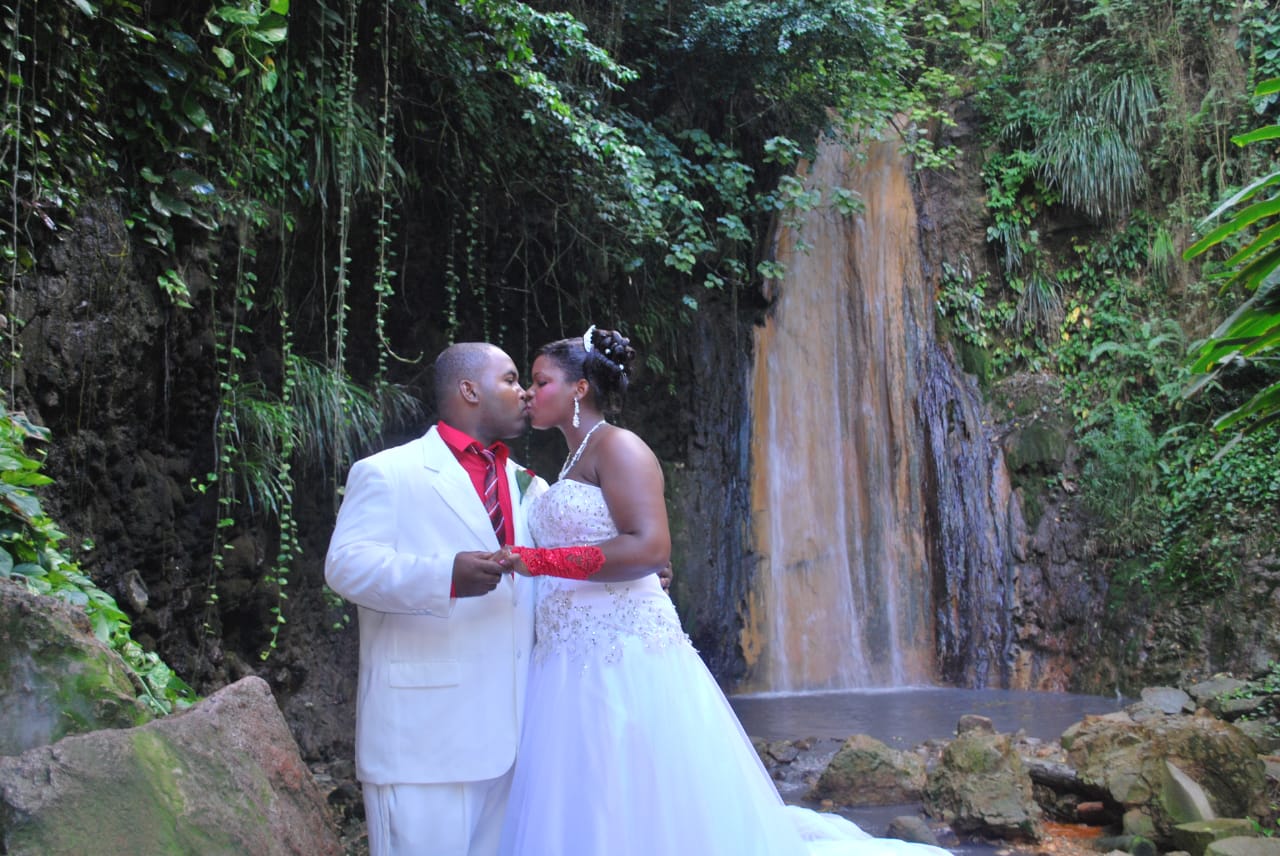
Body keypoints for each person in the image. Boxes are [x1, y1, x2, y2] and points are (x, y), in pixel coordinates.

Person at [495, 326, 953, 856]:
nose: (530, 393)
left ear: (579, 389)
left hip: (624, 649)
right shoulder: (570, 462)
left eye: (540, 381)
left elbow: (649, 550)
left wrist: (536, 561)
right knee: (589, 785)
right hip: (571, 652)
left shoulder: (619, 447)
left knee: (638, 781)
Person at [324, 342, 547, 856]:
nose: (525, 392)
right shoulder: (387, 472)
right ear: (469, 390)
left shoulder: (528, 486)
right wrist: (444, 575)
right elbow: (346, 566)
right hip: (423, 741)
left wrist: (634, 574)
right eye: (511, 379)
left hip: (514, 740)